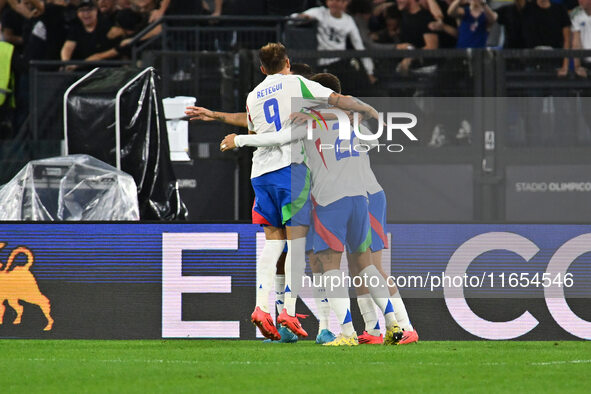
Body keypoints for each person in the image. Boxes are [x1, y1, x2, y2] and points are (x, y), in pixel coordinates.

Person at [220, 72, 405, 347]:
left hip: (330, 201)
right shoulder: (351, 122)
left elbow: (276, 138)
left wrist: (239, 141)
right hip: (360, 200)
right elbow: (372, 140)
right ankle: (393, 324)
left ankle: (346, 333)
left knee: (328, 266)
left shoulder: (306, 123)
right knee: (365, 266)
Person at [295, 0, 377, 94]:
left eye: (339, 1)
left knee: (360, 81)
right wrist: (302, 18)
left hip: (339, 63)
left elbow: (359, 46)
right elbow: (293, 17)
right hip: (322, 64)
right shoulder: (319, 12)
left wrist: (369, 71)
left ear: (345, 3)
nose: (334, 3)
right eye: (332, 0)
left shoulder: (348, 20)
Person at [60, 0, 116, 69]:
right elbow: (68, 47)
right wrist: (66, 63)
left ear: (96, 11)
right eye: (82, 10)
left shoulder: (106, 26)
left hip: (104, 70)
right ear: (77, 13)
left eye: (89, 10)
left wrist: (78, 65)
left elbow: (114, 51)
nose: (86, 14)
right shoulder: (76, 28)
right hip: (81, 71)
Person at [571, 0, 591, 77]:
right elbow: (576, 43)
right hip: (585, 62)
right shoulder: (576, 15)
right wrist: (577, 66)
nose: (580, 1)